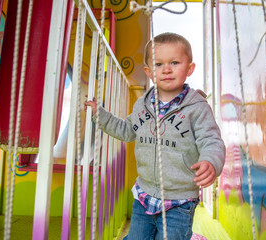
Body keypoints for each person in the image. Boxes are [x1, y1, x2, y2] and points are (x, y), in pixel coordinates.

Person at [84, 32, 225, 240]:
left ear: (189, 68)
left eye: (174, 62)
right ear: (149, 72)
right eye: (159, 64)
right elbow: (126, 130)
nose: (166, 69)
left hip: (180, 200)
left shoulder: (197, 108)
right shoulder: (142, 105)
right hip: (144, 194)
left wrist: (211, 161)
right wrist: (100, 115)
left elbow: (211, 140)